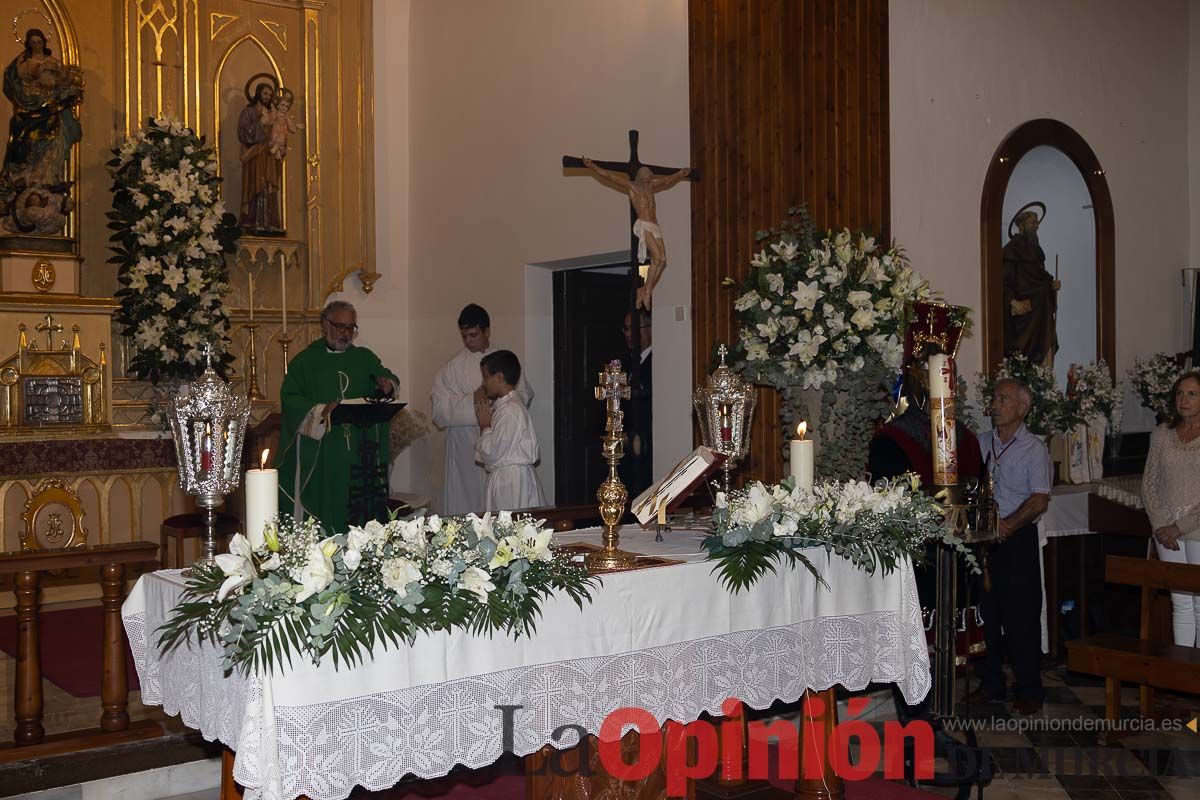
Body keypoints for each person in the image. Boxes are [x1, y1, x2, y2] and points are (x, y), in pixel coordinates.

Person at [277, 301, 399, 535]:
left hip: (360, 455)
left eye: (350, 328)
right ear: (324, 324)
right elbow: (290, 399)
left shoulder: (365, 358)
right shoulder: (305, 362)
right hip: (324, 454)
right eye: (340, 327)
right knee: (328, 512)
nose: (345, 334)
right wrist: (322, 410)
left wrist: (387, 386)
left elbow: (389, 380)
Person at [977, 377, 1052, 714]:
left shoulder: (1034, 449)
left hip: (1016, 537)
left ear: (1023, 407)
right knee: (986, 615)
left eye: (1003, 399)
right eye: (994, 398)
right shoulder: (980, 443)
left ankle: (1029, 688)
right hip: (983, 540)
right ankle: (991, 682)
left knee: (1021, 617)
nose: (995, 405)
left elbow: (1039, 500)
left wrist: (1008, 525)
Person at [432, 304, 533, 514]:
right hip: (463, 448)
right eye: (464, 336)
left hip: (501, 444)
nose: (468, 341)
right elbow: (439, 410)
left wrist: (491, 405)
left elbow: (521, 397)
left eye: (473, 335)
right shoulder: (452, 367)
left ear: (487, 331)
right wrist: (474, 403)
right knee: (465, 506)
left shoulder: (503, 361)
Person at [581, 157, 689, 310]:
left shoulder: (651, 186)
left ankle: (644, 290)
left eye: (650, 178)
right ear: (640, 176)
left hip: (655, 225)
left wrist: (680, 174)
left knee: (663, 260)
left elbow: (666, 181)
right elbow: (609, 176)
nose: (649, 180)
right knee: (657, 258)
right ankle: (647, 292)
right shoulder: (632, 187)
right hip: (644, 224)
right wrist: (593, 166)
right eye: (646, 177)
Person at [1, 29, 82, 232]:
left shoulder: (52, 61)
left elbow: (64, 81)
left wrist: (65, 88)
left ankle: (44, 182)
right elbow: (13, 81)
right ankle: (26, 184)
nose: (37, 44)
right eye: (33, 41)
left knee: (51, 148)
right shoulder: (22, 62)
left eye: (39, 41)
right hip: (29, 114)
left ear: (44, 42)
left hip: (50, 115)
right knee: (26, 146)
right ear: (29, 44)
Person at [1142, 370, 1200, 646]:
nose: (1184, 399)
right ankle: (1182, 673)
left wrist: (1181, 526)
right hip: (1166, 530)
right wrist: (1161, 526)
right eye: (1179, 393)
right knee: (1181, 602)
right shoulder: (1162, 434)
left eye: (1192, 394)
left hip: (1196, 528)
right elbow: (1150, 484)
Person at [473, 350, 546, 511]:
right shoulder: (506, 407)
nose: (483, 383)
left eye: (485, 377)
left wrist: (485, 426)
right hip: (509, 479)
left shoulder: (510, 410)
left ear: (499, 377)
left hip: (512, 483)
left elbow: (494, 453)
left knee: (512, 532)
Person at [1002, 209, 1060, 367]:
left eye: (1037, 223)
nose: (1036, 226)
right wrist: (1013, 302)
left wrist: (1051, 285)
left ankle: (1043, 381)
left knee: (1045, 343)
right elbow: (1004, 281)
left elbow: (1039, 276)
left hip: (1041, 309)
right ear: (1022, 226)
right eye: (1033, 223)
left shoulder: (1037, 251)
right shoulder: (1011, 250)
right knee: (1021, 356)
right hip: (1024, 313)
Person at [238, 81, 284, 234]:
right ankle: (251, 220)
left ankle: (269, 222)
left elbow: (280, 132)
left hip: (269, 157)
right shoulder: (249, 112)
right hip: (255, 158)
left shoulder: (274, 113)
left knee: (268, 187)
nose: (268, 97)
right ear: (258, 93)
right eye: (265, 93)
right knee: (256, 186)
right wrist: (260, 123)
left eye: (270, 94)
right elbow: (243, 133)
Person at [619, 309, 653, 498]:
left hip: (647, 447)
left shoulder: (655, 363)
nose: (628, 334)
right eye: (625, 330)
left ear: (649, 329)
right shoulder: (630, 363)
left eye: (633, 329)